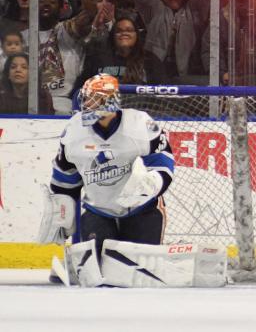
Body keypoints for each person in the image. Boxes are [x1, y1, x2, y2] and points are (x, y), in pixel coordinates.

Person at [37, 74, 175, 287]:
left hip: (142, 210)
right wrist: (62, 211)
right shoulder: (74, 131)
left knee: (139, 274)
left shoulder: (140, 125)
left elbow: (163, 162)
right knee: (100, 272)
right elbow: (65, 179)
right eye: (86, 98)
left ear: (111, 101)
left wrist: (152, 183)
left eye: (93, 99)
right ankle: (78, 261)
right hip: (98, 211)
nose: (86, 104)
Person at [34, 0, 97, 114]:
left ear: (62, 8)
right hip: (30, 100)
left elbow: (89, 13)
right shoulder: (23, 36)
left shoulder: (66, 29)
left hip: (63, 102)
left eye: (52, 1)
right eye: (41, 1)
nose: (46, 4)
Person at [73, 17, 166, 92]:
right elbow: (80, 88)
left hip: (139, 111)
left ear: (136, 35)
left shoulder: (150, 59)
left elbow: (164, 89)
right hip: (105, 110)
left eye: (129, 30)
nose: (124, 33)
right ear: (113, 36)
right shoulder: (98, 58)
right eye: (119, 31)